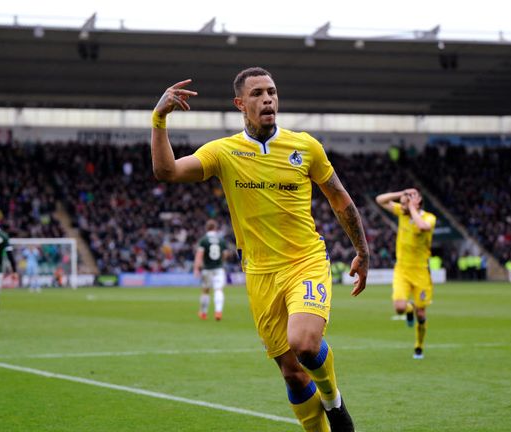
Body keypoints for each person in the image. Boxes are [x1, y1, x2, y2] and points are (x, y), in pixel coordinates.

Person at [151, 67, 369, 432]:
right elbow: (167, 172)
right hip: (260, 274)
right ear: (240, 104)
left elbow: (339, 198)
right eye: (257, 94)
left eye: (272, 91)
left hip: (305, 261)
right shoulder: (224, 152)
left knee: (303, 343)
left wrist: (361, 250)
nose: (268, 98)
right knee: (293, 375)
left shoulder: (305, 146)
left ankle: (334, 402)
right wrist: (159, 119)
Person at [375, 188, 436, 360]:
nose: (406, 201)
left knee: (422, 314)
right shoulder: (402, 212)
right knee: (400, 308)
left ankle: (419, 346)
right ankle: (409, 310)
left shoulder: (428, 217)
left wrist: (412, 209)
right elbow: (380, 199)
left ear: (419, 200)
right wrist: (400, 193)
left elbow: (423, 227)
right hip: (402, 269)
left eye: (412, 197)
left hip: (421, 272)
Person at [193, 219, 230, 321]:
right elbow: (225, 254)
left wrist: (196, 268)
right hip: (219, 269)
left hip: (207, 269)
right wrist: (221, 261)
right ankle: (218, 312)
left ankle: (203, 313)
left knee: (206, 291)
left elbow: (199, 255)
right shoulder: (221, 240)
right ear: (215, 228)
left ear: (206, 228)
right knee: (218, 289)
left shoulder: (203, 240)